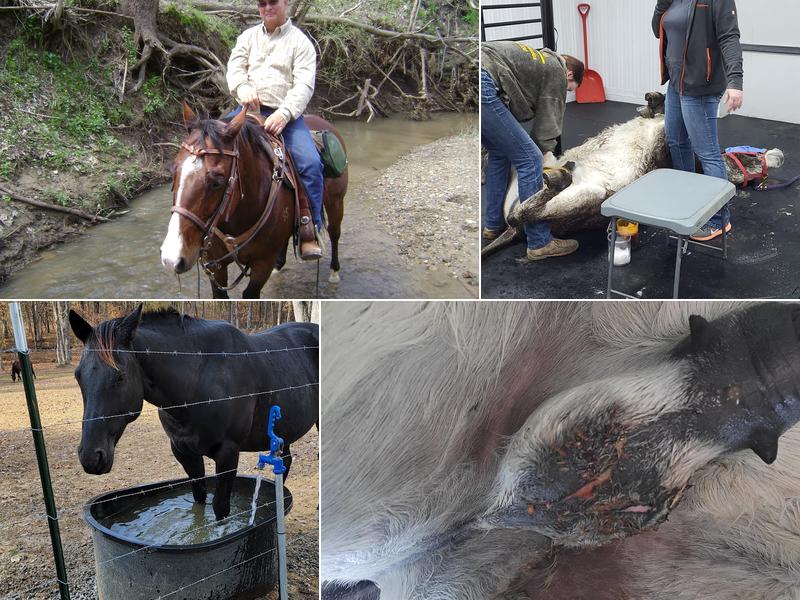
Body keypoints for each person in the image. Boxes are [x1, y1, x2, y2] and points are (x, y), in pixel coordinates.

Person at [226, 0, 323, 260]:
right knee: (211, 150)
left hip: (286, 116)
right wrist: (242, 88)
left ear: (285, 3)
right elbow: (234, 69)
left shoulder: (301, 42)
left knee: (310, 163)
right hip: (247, 112)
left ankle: (309, 227)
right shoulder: (247, 37)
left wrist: (285, 112)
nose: (267, 7)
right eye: (262, 3)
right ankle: (206, 224)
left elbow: (304, 85)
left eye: (273, 2)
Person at [481, 42, 583, 262]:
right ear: (570, 73)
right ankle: (539, 242)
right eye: (568, 89)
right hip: (483, 81)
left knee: (499, 153)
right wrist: (546, 156)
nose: (565, 92)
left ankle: (493, 225)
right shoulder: (557, 71)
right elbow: (547, 124)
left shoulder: (539, 60)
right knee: (530, 160)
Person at [653, 0, 743, 241]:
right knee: (677, 143)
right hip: (676, 84)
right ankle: (689, 206)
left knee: (708, 153)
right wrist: (661, 5)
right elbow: (657, 30)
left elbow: (729, 37)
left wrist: (735, 82)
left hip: (701, 87)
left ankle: (718, 220)